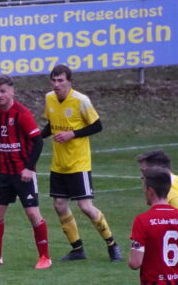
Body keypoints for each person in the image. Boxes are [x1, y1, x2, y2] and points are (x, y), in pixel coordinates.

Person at [39, 65, 122, 262]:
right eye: (54, 80)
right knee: (59, 205)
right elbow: (51, 125)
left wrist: (73, 134)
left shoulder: (81, 101)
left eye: (61, 80)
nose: (56, 84)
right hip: (59, 164)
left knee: (86, 207)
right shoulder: (49, 98)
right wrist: (36, 137)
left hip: (78, 163)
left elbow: (97, 125)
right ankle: (77, 249)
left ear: (69, 81)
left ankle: (112, 244)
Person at [0, 76, 51, 270]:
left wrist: (29, 168)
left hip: (23, 174)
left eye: (3, 91)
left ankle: (45, 257)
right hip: (4, 174)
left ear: (12, 92)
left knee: (32, 213)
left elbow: (38, 141)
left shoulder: (22, 114)